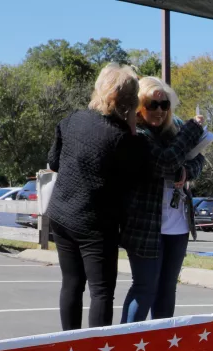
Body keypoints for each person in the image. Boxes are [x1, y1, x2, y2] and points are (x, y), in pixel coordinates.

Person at [47, 63, 147, 330]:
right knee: (101, 292)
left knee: (71, 283)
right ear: (131, 100)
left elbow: (53, 163)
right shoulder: (124, 139)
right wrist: (133, 129)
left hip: (61, 214)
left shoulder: (71, 120)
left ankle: (69, 345)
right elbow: (136, 179)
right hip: (95, 225)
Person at [120, 76, 205, 323]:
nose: (159, 111)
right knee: (145, 287)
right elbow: (165, 161)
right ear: (138, 106)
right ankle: (127, 343)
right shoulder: (136, 134)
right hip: (146, 224)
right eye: (151, 104)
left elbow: (198, 159)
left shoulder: (175, 128)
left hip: (177, 223)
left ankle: (162, 343)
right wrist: (191, 131)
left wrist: (187, 171)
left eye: (164, 105)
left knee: (167, 289)